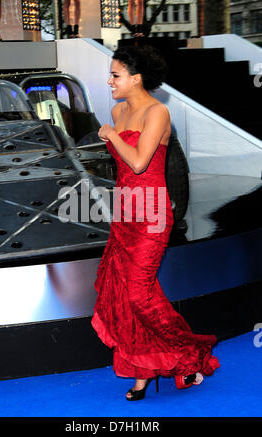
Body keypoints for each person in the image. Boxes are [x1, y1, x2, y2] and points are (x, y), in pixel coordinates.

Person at [91, 45, 219, 401]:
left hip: (151, 217)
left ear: (136, 78)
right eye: (111, 74)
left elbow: (138, 162)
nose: (109, 81)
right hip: (125, 214)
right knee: (123, 295)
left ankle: (190, 353)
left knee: (139, 294)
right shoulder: (118, 110)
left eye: (115, 75)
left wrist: (113, 136)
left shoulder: (157, 112)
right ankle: (142, 370)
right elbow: (121, 169)